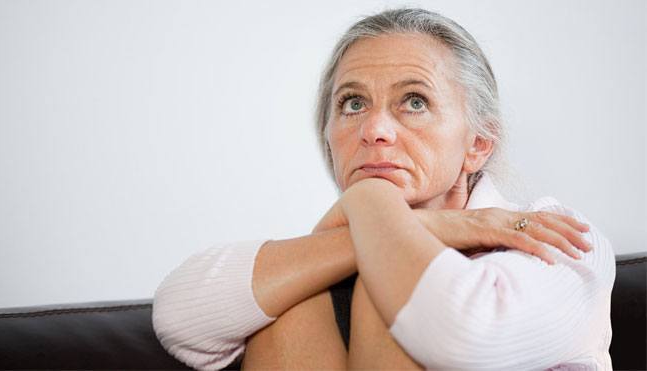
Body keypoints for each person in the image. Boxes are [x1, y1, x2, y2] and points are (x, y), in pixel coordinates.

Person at [152, 7, 615, 370]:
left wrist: (370, 201)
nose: (374, 129)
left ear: (477, 144)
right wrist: (437, 224)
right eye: (352, 103)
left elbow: (459, 333)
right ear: (328, 137)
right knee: (282, 310)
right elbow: (178, 316)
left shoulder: (560, 238)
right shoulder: (328, 261)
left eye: (414, 101)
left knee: (381, 300)